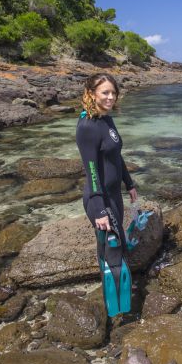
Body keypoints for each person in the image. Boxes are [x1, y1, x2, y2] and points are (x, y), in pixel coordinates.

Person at [76, 74, 138, 316]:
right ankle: (117, 314)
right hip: (99, 198)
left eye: (113, 92)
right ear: (92, 93)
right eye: (105, 93)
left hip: (114, 195)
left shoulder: (106, 120)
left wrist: (129, 183)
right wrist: (99, 208)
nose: (111, 97)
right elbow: (91, 169)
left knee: (113, 248)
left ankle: (113, 305)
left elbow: (116, 157)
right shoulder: (87, 127)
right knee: (113, 253)